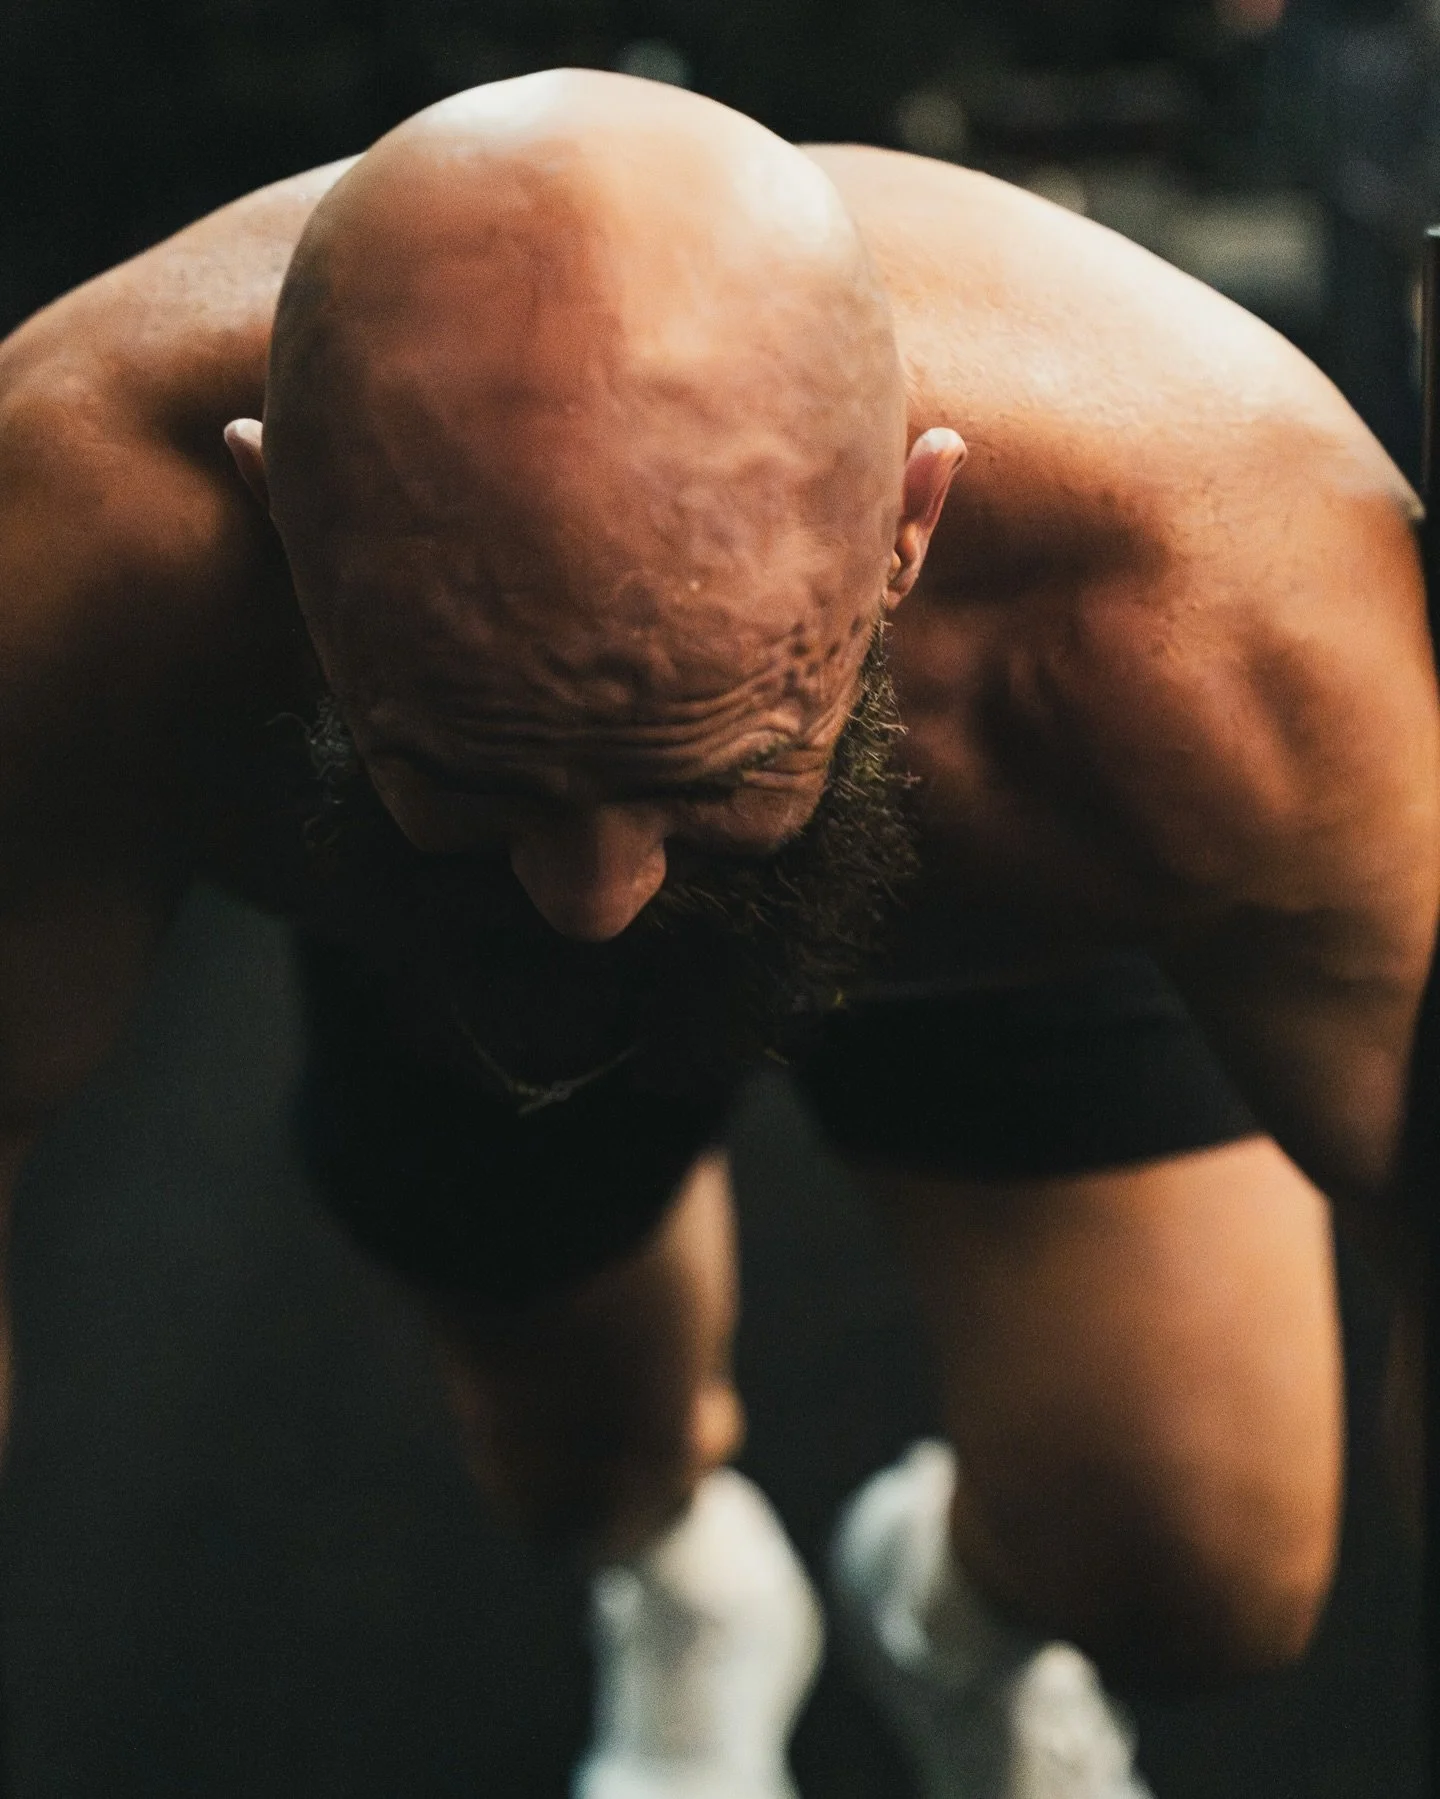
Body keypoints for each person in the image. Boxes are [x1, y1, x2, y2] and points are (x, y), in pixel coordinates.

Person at [0, 68, 1433, 1799]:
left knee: (1196, 1578)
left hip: (1025, 871)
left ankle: (947, 1620)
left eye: (710, 774)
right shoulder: (70, 530)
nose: (597, 897)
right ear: (280, 508)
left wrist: (512, 774)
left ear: (910, 528)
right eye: (480, 761)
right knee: (578, 1470)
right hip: (429, 927)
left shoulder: (1221, 618)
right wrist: (543, 791)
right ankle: (693, 1599)